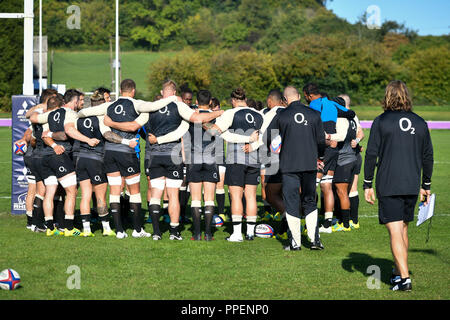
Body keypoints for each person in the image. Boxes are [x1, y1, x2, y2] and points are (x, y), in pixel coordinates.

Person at [77, 78, 179, 239]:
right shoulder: (136, 103)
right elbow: (150, 109)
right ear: (133, 91)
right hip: (127, 152)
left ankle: (119, 230)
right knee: (135, 192)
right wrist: (173, 98)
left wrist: (77, 115)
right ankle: (138, 229)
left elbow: (83, 112)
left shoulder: (109, 105)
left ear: (120, 90)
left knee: (115, 191)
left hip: (109, 152)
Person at [364, 80, 433, 291]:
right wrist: (426, 184)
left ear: (387, 96)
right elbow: (428, 156)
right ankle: (396, 273)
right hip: (412, 184)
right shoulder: (420, 122)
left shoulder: (381, 121)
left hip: (389, 183)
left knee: (395, 230)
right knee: (402, 229)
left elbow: (371, 154)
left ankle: (405, 279)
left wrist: (367, 184)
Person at [144, 80, 224, 241]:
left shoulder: (151, 108)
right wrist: (218, 113)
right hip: (203, 159)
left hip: (164, 156)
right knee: (202, 197)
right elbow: (202, 124)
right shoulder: (182, 110)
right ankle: (199, 233)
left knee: (157, 195)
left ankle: (158, 232)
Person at [29, 95, 99, 237]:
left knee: (50, 192)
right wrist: (88, 140)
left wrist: (53, 144)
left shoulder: (48, 115)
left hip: (45, 157)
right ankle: (68, 228)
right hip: (60, 156)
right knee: (72, 191)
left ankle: (50, 227)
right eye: (79, 101)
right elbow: (69, 131)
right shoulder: (70, 113)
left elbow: (40, 129)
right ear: (72, 102)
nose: (81, 103)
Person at [204, 88, 264, 242]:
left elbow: (214, 132)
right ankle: (250, 233)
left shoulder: (231, 113)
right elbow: (263, 137)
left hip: (236, 159)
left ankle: (237, 234)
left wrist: (204, 124)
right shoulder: (259, 114)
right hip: (254, 159)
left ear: (233, 100)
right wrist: (252, 144)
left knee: (236, 195)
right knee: (250, 196)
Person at [277, 86, 326, 250]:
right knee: (310, 200)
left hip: (289, 165)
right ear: (298, 96)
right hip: (309, 164)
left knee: (291, 202)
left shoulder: (281, 115)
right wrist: (320, 157)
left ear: (284, 100)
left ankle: (295, 243)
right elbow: (321, 140)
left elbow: (272, 139)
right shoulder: (314, 114)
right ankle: (314, 241)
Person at [303, 83, 355, 232]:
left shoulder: (313, 105)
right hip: (333, 150)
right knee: (327, 185)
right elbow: (351, 114)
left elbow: (310, 125)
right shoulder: (332, 103)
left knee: (312, 185)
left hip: (320, 148)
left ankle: (309, 223)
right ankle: (327, 223)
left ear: (308, 95)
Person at [338, 94, 364, 229]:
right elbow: (361, 133)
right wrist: (357, 142)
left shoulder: (342, 117)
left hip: (346, 157)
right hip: (356, 157)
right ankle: (355, 221)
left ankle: (345, 222)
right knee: (353, 188)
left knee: (341, 190)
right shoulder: (354, 116)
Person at [210, 97, 228, 222]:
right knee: (208, 186)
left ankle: (221, 213)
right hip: (207, 157)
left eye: (218, 109)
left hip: (220, 156)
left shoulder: (224, 119)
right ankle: (207, 212)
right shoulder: (204, 117)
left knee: (220, 185)